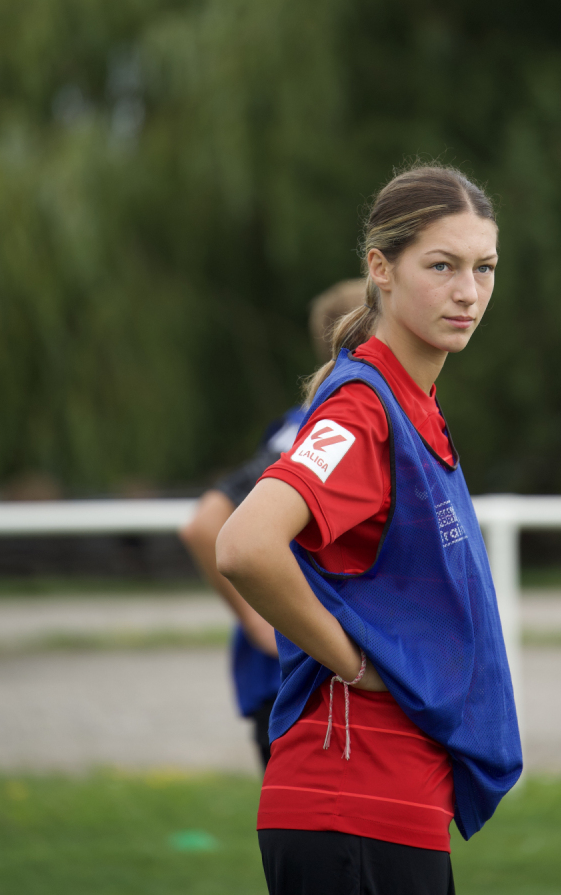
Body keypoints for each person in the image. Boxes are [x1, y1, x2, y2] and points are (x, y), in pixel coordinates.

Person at [216, 163, 522, 895]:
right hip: (350, 801)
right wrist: (354, 663)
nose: (468, 291)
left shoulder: (413, 403)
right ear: (380, 269)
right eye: (442, 266)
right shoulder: (362, 410)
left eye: (484, 268)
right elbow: (243, 544)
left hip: (395, 802)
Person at [180, 279, 366, 769]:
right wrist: (260, 622)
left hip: (309, 676)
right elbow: (206, 524)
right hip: (300, 680)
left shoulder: (322, 421)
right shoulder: (323, 432)